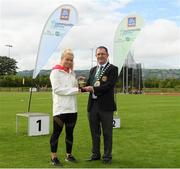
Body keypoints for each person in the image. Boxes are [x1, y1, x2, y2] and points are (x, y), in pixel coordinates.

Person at [82, 46, 118, 164]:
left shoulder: (113, 69)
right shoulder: (93, 70)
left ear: (107, 55)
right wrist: (81, 86)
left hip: (106, 106)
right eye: (98, 54)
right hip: (92, 105)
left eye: (102, 54)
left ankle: (107, 156)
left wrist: (94, 89)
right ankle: (95, 154)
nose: (100, 56)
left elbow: (109, 86)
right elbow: (88, 84)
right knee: (94, 132)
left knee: (107, 132)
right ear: (95, 56)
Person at [49, 49, 79, 166]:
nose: (69, 62)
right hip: (60, 109)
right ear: (62, 59)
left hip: (72, 109)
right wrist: (75, 90)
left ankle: (69, 155)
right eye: (67, 59)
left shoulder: (72, 73)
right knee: (56, 133)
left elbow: (75, 87)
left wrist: (79, 86)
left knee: (70, 133)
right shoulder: (55, 72)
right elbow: (57, 89)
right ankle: (53, 157)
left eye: (71, 60)